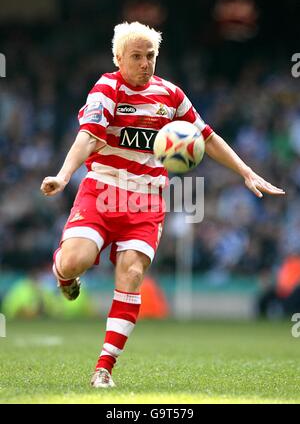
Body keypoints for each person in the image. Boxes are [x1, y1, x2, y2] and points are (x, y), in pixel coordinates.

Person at [40, 21, 285, 388]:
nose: (144, 63)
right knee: (76, 260)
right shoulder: (106, 89)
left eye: (150, 56)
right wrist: (62, 176)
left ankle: (103, 368)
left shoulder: (170, 95)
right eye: (136, 56)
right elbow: (88, 138)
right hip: (102, 191)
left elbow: (207, 137)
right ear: (119, 58)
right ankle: (64, 276)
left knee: (133, 274)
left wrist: (245, 172)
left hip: (145, 199)